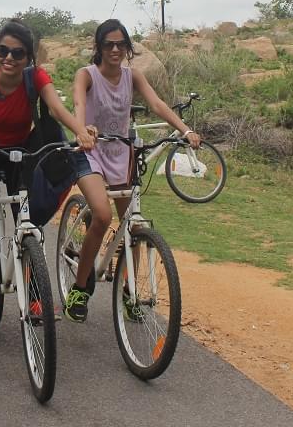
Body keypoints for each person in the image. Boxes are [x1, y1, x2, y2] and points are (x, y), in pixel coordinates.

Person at [0, 21, 96, 347]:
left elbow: (55, 106)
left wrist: (79, 130)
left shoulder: (34, 78)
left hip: (19, 154)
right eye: (2, 51)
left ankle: (35, 297)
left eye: (17, 53)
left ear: (28, 57)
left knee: (28, 225)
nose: (9, 58)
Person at [66, 18, 201, 322]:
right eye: (108, 44)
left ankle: (130, 293)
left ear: (128, 47)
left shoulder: (133, 76)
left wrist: (185, 130)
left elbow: (157, 104)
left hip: (122, 153)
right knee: (102, 215)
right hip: (90, 152)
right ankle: (79, 288)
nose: (115, 49)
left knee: (134, 225)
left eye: (121, 44)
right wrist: (82, 129)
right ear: (98, 47)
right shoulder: (86, 75)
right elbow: (78, 103)